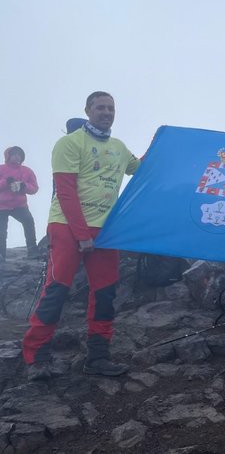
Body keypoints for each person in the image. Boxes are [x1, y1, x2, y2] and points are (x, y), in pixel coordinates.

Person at [22, 92, 141, 381]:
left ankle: (98, 357)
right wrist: (81, 234)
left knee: (105, 293)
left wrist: (162, 146)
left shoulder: (119, 147)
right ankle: (37, 357)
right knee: (57, 289)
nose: (106, 112)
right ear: (87, 110)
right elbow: (65, 191)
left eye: (110, 108)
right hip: (67, 225)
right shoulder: (70, 143)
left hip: (106, 230)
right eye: (100, 107)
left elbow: (141, 170)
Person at [0, 146, 40, 262]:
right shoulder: (1, 169)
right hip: (1, 206)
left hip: (20, 205)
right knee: (1, 230)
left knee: (29, 222)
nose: (17, 156)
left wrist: (24, 186)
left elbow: (34, 188)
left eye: (19, 155)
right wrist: (5, 182)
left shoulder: (27, 171)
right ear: (8, 156)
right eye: (14, 154)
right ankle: (1, 255)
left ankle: (32, 250)